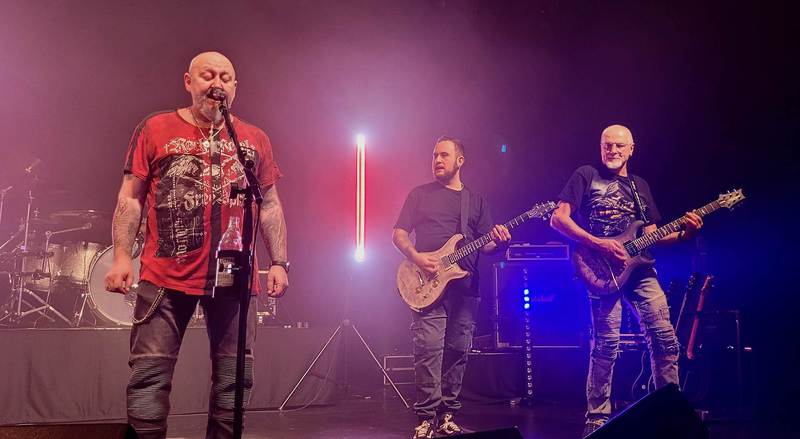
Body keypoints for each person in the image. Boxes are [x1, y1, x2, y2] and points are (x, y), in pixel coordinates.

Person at [105, 51, 289, 439]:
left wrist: (279, 261)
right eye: (208, 75)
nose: (217, 83)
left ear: (235, 87)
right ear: (188, 82)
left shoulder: (254, 138)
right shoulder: (155, 127)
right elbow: (131, 197)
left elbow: (270, 203)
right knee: (149, 379)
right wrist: (122, 257)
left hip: (234, 274)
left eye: (225, 77)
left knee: (233, 383)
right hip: (165, 274)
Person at [549, 125, 703, 436]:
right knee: (607, 344)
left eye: (620, 146)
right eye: (608, 145)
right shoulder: (586, 175)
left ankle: (670, 412)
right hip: (600, 268)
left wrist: (686, 234)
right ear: (600, 147)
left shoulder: (639, 185)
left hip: (641, 270)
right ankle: (597, 417)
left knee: (665, 339)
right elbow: (558, 218)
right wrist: (599, 244)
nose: (613, 150)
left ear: (631, 149)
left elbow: (653, 235)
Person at [392, 136, 511, 438]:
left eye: (444, 155)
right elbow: (399, 234)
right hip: (428, 285)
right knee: (428, 351)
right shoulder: (420, 195)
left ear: (460, 161)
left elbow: (486, 246)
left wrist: (499, 242)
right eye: (434, 155)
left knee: (458, 352)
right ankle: (425, 418)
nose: (437, 160)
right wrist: (417, 257)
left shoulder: (475, 201)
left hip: (466, 288)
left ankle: (447, 416)